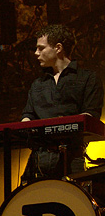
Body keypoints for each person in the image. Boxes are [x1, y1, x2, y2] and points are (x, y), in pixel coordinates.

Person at [21, 24, 104, 181]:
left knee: (74, 199)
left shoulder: (87, 78)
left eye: (41, 48)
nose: (36, 53)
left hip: (72, 156)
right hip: (39, 156)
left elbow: (90, 115)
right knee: (28, 200)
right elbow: (28, 115)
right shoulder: (37, 84)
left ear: (58, 48)